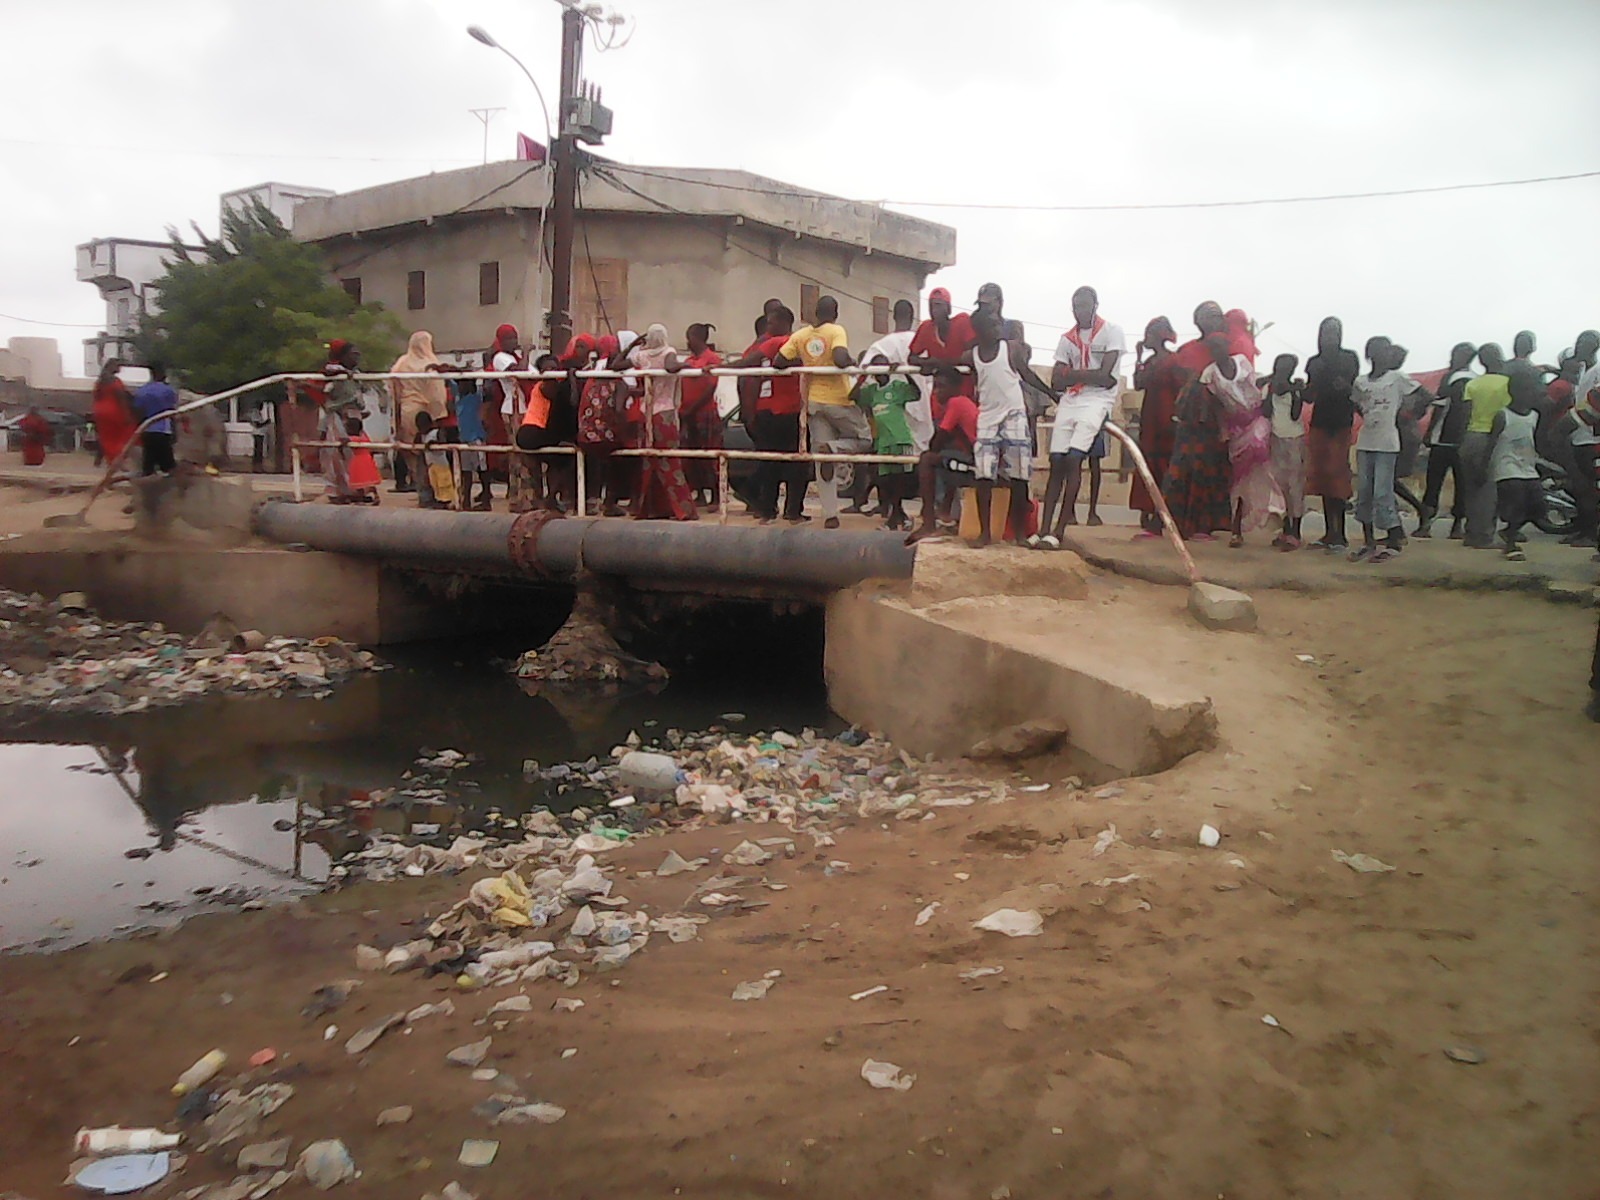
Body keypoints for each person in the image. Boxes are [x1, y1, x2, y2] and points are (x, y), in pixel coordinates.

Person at [1038, 286, 1123, 545]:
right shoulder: (1067, 339)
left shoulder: (1112, 332)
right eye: (1075, 306)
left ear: (1095, 305)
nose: (1079, 311)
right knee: (1057, 462)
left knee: (1075, 459)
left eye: (1084, 305)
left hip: (1097, 402)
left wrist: (1072, 374)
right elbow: (1056, 381)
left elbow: (1107, 379)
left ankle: (1059, 531)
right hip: (1071, 400)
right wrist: (1089, 376)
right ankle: (1043, 530)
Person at [775, 295, 862, 529]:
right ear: (835, 313)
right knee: (865, 440)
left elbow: (778, 361)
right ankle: (835, 448)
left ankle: (830, 514)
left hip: (813, 402)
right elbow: (840, 358)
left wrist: (806, 364)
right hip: (839, 399)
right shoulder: (835, 331)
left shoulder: (801, 336)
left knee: (822, 460)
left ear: (816, 313)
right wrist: (853, 361)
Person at [967, 309, 1052, 547]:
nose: (998, 329)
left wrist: (1051, 393)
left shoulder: (1011, 349)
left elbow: (1027, 375)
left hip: (1014, 415)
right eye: (992, 325)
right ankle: (985, 533)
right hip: (988, 417)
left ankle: (1019, 534)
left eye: (998, 325)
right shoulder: (972, 354)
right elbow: (946, 361)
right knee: (983, 475)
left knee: (1019, 476)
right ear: (981, 331)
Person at [1199, 335, 1282, 547]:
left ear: (1227, 346)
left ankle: (1274, 508)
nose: (1217, 350)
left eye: (1220, 346)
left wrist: (1272, 380)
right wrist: (1222, 429)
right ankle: (1237, 529)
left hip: (1256, 418)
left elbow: (1256, 383)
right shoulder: (1209, 375)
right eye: (1213, 348)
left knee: (1259, 448)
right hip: (1235, 428)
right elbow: (1215, 405)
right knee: (1239, 481)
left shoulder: (1242, 361)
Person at [1160, 302, 1234, 540]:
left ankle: (1205, 525)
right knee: (1182, 470)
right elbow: (1176, 381)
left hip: (1214, 420)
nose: (1214, 321)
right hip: (1189, 419)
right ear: (1198, 321)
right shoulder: (1188, 349)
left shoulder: (1226, 347)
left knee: (1210, 472)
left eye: (1217, 316)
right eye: (1208, 316)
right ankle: (1178, 523)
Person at [1349, 338, 1426, 562]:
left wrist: (1407, 413)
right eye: (1377, 351)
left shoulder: (1397, 378)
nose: (1382, 356)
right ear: (1370, 355)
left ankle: (1394, 540)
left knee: (1382, 492)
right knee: (1364, 493)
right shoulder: (1361, 381)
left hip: (1387, 443)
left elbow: (1424, 396)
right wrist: (1368, 415)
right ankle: (1369, 542)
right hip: (1366, 441)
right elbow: (1356, 401)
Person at [734, 306, 809, 523]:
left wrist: (721, 366)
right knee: (793, 462)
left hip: (784, 410)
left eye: (771, 322)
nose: (768, 327)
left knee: (775, 461)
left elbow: (747, 367)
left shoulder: (779, 342)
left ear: (784, 323)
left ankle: (769, 508)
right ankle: (790, 510)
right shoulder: (786, 343)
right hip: (783, 411)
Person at [626, 324, 697, 521]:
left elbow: (615, 364)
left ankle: (650, 508)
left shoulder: (642, 355)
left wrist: (633, 344)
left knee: (649, 461)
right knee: (670, 461)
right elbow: (671, 366)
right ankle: (683, 509)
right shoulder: (669, 352)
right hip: (664, 413)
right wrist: (686, 365)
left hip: (645, 413)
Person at [1305, 316, 1361, 551]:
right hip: (1319, 421)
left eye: (1334, 331)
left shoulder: (1349, 358)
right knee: (1323, 479)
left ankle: (1341, 535)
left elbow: (1350, 386)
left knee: (1337, 476)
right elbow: (1310, 395)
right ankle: (1330, 533)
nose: (1330, 336)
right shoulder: (1314, 362)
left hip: (1340, 422)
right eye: (1326, 332)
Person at [905, 367, 980, 543]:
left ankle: (929, 522)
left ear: (956, 388)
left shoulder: (956, 403)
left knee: (927, 460)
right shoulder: (961, 403)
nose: (937, 391)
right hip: (975, 458)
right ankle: (945, 515)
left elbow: (937, 441)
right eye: (935, 387)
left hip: (978, 463)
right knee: (946, 457)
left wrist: (936, 447)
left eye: (941, 387)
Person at [1417, 341, 1477, 540]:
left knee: (1433, 483)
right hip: (1464, 439)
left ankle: (1425, 525)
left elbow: (1441, 406)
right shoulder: (1475, 379)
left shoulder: (1450, 378)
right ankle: (1457, 526)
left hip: (1444, 439)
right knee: (1462, 484)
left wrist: (1429, 433)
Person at [851, 353, 918, 529]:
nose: (881, 372)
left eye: (884, 367)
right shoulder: (872, 392)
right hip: (883, 442)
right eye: (877, 369)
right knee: (885, 481)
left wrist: (906, 372)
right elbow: (853, 396)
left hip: (899, 440)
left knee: (898, 480)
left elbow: (916, 394)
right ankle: (900, 517)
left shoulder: (897, 387)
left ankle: (894, 519)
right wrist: (862, 377)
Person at [1130, 317, 1183, 537]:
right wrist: (1138, 357)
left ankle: (1162, 517)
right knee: (1148, 464)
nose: (1146, 339)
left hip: (1167, 421)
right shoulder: (1151, 362)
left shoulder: (1174, 361)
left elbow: (1180, 390)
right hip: (1150, 421)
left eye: (1149, 335)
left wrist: (1177, 418)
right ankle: (1148, 511)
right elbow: (1138, 383)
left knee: (1165, 467)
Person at [1484, 369, 1542, 562]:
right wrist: (1485, 466)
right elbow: (1491, 443)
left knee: (1537, 506)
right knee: (1516, 500)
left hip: (1527, 466)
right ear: (1514, 391)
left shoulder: (1534, 415)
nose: (1531, 394)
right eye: (1527, 390)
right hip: (1506, 466)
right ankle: (1510, 545)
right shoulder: (1503, 415)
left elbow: (1534, 441)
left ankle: (1509, 530)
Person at [1459, 343, 1512, 549]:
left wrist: (1461, 441)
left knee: (1471, 488)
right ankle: (1484, 537)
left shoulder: (1473, 384)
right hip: (1492, 437)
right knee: (1489, 490)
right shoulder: (1507, 383)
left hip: (1470, 436)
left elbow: (1464, 414)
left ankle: (1471, 533)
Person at [389, 332, 447, 508]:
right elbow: (437, 396)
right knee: (434, 457)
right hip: (427, 416)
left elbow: (393, 389)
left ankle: (423, 494)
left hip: (408, 412)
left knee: (415, 457)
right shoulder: (431, 364)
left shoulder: (401, 363)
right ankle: (436, 494)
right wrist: (439, 417)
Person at [577, 335, 629, 516]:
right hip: (605, 434)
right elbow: (620, 410)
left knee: (594, 462)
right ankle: (610, 502)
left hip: (585, 431)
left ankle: (591, 501)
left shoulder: (591, 371)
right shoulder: (618, 381)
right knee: (622, 455)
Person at [1262, 353, 1307, 548]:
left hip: (1293, 438)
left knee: (1295, 486)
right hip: (1276, 437)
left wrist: (1293, 391)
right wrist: (1271, 391)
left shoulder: (1296, 389)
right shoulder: (1269, 387)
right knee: (1281, 485)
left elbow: (1295, 415)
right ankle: (1286, 529)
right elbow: (1265, 412)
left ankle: (1295, 532)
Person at [679, 323, 724, 508]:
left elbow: (710, 386)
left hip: (705, 413)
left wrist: (693, 409)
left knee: (709, 455)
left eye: (690, 337)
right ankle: (699, 494)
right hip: (687, 413)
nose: (688, 341)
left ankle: (716, 495)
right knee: (691, 456)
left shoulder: (712, 359)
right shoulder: (688, 361)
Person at [319, 340, 365, 503]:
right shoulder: (335, 371)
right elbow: (328, 372)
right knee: (334, 453)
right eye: (353, 354)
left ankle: (355, 489)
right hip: (337, 415)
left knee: (354, 453)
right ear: (343, 356)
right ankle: (336, 492)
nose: (357, 356)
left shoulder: (356, 374)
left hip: (354, 416)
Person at [454, 354, 493, 510]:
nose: (461, 386)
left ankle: (486, 499)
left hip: (477, 438)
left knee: (482, 470)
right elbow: (448, 376)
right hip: (464, 438)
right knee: (466, 471)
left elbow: (488, 393)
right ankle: (466, 501)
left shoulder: (476, 396)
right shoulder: (459, 396)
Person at [91, 358, 139, 473]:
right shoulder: (115, 381)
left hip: (99, 410)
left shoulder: (100, 382)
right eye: (118, 366)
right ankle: (119, 461)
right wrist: (127, 413)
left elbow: (96, 397)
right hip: (114, 410)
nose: (120, 368)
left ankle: (111, 461)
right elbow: (121, 398)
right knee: (123, 435)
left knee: (107, 438)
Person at [133, 361, 179, 476]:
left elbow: (138, 411)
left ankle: (148, 487)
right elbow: (171, 411)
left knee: (148, 465)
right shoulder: (168, 390)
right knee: (168, 466)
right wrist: (175, 431)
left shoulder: (142, 391)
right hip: (163, 430)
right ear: (162, 374)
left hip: (147, 429)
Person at [414, 412, 458, 509]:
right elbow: (416, 446)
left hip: (442, 464)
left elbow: (443, 442)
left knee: (444, 483)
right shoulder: (421, 436)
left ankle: (447, 501)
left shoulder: (437, 432)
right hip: (431, 464)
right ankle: (437, 500)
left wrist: (433, 443)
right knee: (434, 483)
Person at [345, 415, 382, 504]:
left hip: (358, 461)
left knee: (359, 482)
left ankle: (360, 499)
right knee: (368, 481)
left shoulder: (352, 439)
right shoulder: (364, 437)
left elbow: (346, 441)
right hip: (367, 459)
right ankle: (376, 496)